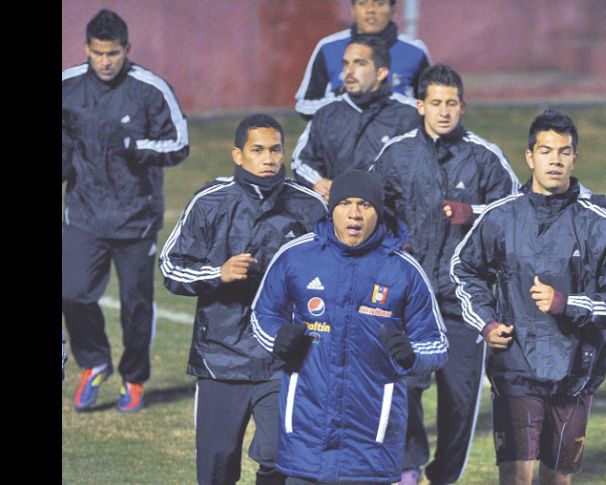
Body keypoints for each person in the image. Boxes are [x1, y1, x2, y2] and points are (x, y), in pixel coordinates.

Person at [451, 109, 606, 485]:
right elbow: (465, 270)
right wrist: (487, 321)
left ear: (575, 157)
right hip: (515, 367)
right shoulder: (499, 217)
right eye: (545, 150)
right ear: (529, 156)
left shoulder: (599, 222)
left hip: (575, 371)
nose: (554, 159)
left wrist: (566, 304)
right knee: (516, 477)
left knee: (557, 479)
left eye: (563, 151)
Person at [369, 64, 520, 485]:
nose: (444, 111)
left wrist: (472, 212)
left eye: (451, 103)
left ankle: (445, 476)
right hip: (410, 297)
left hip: (463, 301)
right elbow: (368, 210)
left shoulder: (484, 157)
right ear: (420, 105)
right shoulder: (395, 154)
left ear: (463, 105)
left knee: (460, 398)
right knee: (406, 385)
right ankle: (408, 465)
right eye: (435, 103)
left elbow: (515, 213)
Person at [159, 114, 327, 485]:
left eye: (275, 149)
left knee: (281, 459)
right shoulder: (209, 201)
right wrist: (218, 273)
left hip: (285, 357)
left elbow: (334, 271)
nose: (268, 158)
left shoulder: (311, 206)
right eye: (257, 150)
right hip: (220, 359)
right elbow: (171, 267)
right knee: (215, 470)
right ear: (237, 155)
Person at [251, 169, 448, 484]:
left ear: (378, 211)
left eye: (365, 205)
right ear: (332, 209)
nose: (354, 214)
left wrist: (412, 357)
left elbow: (435, 343)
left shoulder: (404, 270)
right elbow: (262, 314)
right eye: (345, 203)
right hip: (306, 434)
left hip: (372, 439)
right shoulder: (296, 257)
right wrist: (278, 337)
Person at [62, 9, 189, 413]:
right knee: (72, 291)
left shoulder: (151, 89)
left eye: (113, 53)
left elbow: (179, 144)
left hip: (136, 219)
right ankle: (95, 362)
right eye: (98, 53)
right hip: (83, 214)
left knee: (136, 307)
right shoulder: (67, 86)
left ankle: (133, 379)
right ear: (86, 49)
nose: (105, 61)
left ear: (126, 50)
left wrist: (137, 147)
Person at [292, 35, 422, 201]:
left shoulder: (410, 114)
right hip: (340, 217)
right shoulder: (326, 113)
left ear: (381, 72)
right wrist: (317, 181)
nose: (349, 71)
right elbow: (301, 160)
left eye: (360, 63)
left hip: (395, 217)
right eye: (346, 63)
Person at [294, 0, 430, 118]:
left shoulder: (415, 51)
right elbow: (304, 106)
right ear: (353, 9)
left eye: (379, 3)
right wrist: (345, 103)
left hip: (398, 140)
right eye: (362, 3)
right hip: (340, 141)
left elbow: (431, 104)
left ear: (393, 9)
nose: (370, 10)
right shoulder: (328, 47)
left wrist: (394, 111)